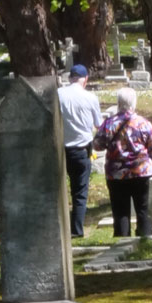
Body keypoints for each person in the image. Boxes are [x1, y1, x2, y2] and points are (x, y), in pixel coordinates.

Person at [95, 85, 152, 238]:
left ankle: (122, 241)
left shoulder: (109, 124)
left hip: (116, 174)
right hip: (141, 172)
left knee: (120, 212)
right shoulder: (144, 123)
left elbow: (97, 145)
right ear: (134, 103)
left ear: (118, 102)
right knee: (142, 209)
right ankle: (145, 239)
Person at [58, 60, 103, 239]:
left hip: (60, 148)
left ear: (70, 78)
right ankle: (76, 230)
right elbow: (98, 124)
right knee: (80, 191)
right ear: (85, 79)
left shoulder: (58, 94)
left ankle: (59, 228)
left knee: (58, 190)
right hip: (81, 149)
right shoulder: (90, 98)